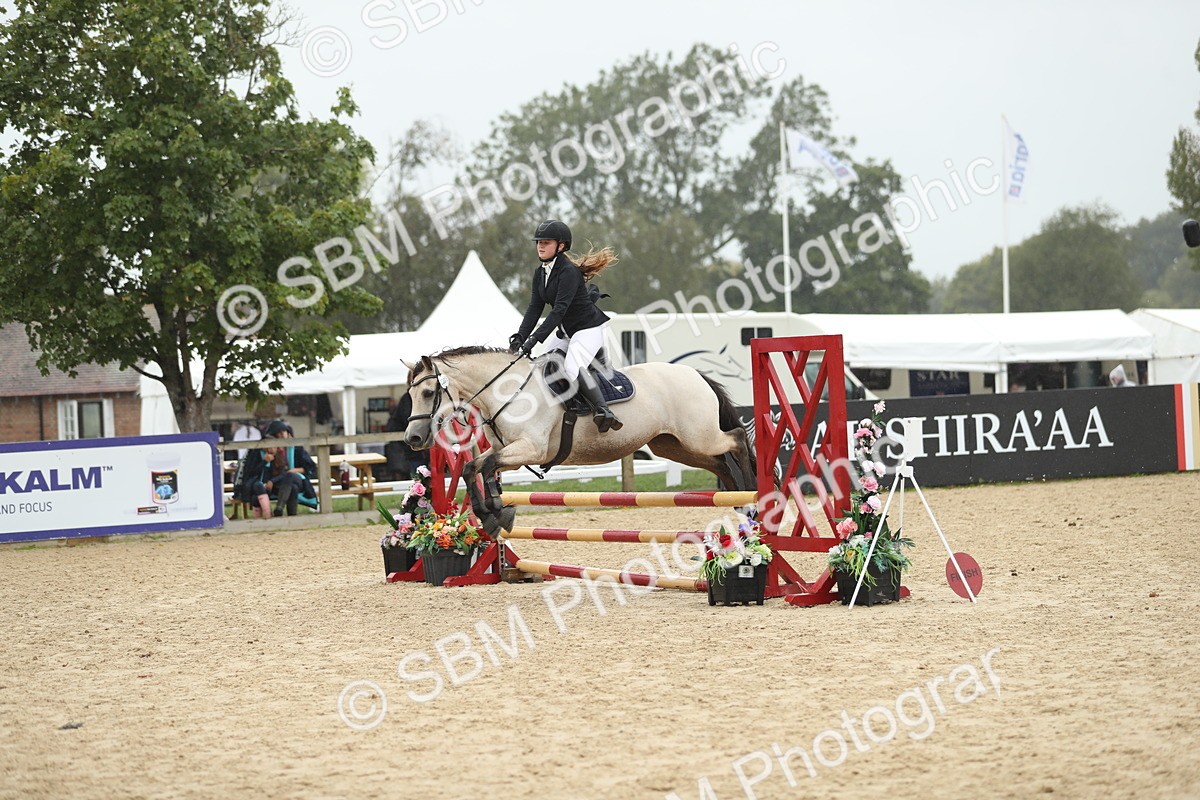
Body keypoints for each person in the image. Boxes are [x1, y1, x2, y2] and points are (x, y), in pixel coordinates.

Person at [508, 219, 623, 432]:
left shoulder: (568, 272)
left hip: (588, 329)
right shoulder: (540, 273)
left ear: (561, 246)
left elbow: (558, 310)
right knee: (541, 366)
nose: (540, 246)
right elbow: (534, 308)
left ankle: (604, 411)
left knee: (571, 368)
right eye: (538, 242)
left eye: (546, 242)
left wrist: (534, 339)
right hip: (567, 331)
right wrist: (520, 337)